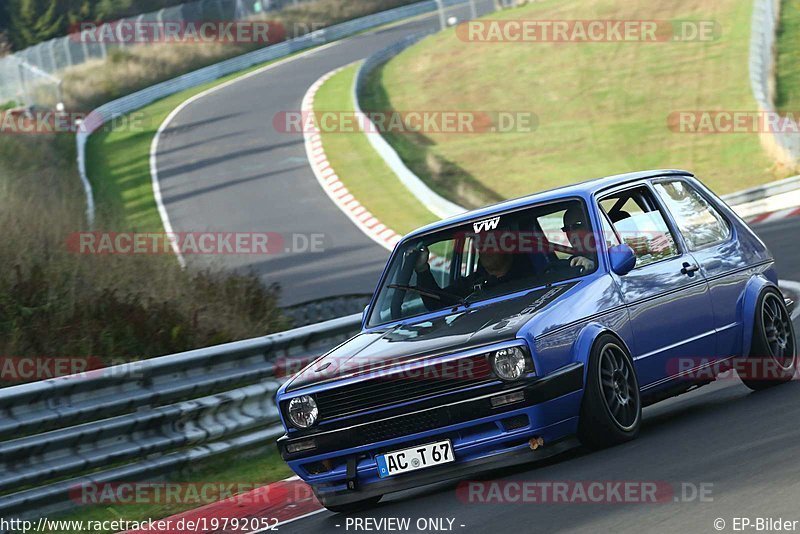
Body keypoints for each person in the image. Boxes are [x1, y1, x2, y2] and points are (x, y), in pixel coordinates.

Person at [561, 205, 596, 272]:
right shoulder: (569, 264)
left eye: (576, 226)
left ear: (591, 226)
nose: (571, 233)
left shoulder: (607, 253)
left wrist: (592, 266)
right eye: (566, 229)